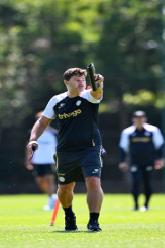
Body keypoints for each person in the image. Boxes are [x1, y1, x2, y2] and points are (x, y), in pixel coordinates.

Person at [27, 68, 104, 231]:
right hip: (65, 151)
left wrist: (99, 84)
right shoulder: (56, 100)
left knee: (93, 181)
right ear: (66, 82)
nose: (81, 82)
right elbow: (42, 122)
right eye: (77, 80)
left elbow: (97, 94)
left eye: (83, 79)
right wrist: (33, 139)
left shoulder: (89, 95)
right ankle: (69, 216)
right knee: (64, 189)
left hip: (90, 147)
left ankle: (94, 221)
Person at [118, 111, 165, 212]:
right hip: (135, 162)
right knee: (135, 182)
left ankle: (146, 205)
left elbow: (159, 145)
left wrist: (160, 159)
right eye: (137, 118)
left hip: (149, 162)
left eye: (141, 117)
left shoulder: (153, 130)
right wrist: (122, 161)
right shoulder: (128, 132)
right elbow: (123, 147)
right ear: (133, 119)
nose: (139, 119)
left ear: (145, 118)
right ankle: (135, 205)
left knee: (147, 183)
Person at [26, 111, 58, 211]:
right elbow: (28, 146)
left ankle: (50, 201)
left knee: (49, 180)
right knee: (40, 180)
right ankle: (52, 197)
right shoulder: (33, 133)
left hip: (50, 160)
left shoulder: (54, 133)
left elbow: (58, 147)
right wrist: (28, 159)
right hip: (37, 161)